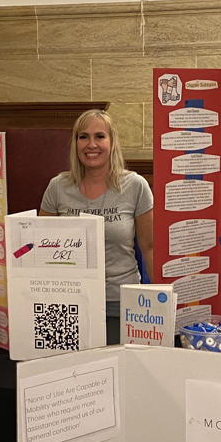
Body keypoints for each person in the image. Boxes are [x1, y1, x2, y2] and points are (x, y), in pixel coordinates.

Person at [40, 109, 154, 344]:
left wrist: (161, 303)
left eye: (100, 136)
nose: (91, 144)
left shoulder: (135, 186)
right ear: (75, 143)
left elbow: (150, 248)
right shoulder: (57, 187)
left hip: (122, 303)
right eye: (83, 137)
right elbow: (41, 251)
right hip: (69, 301)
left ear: (112, 142)